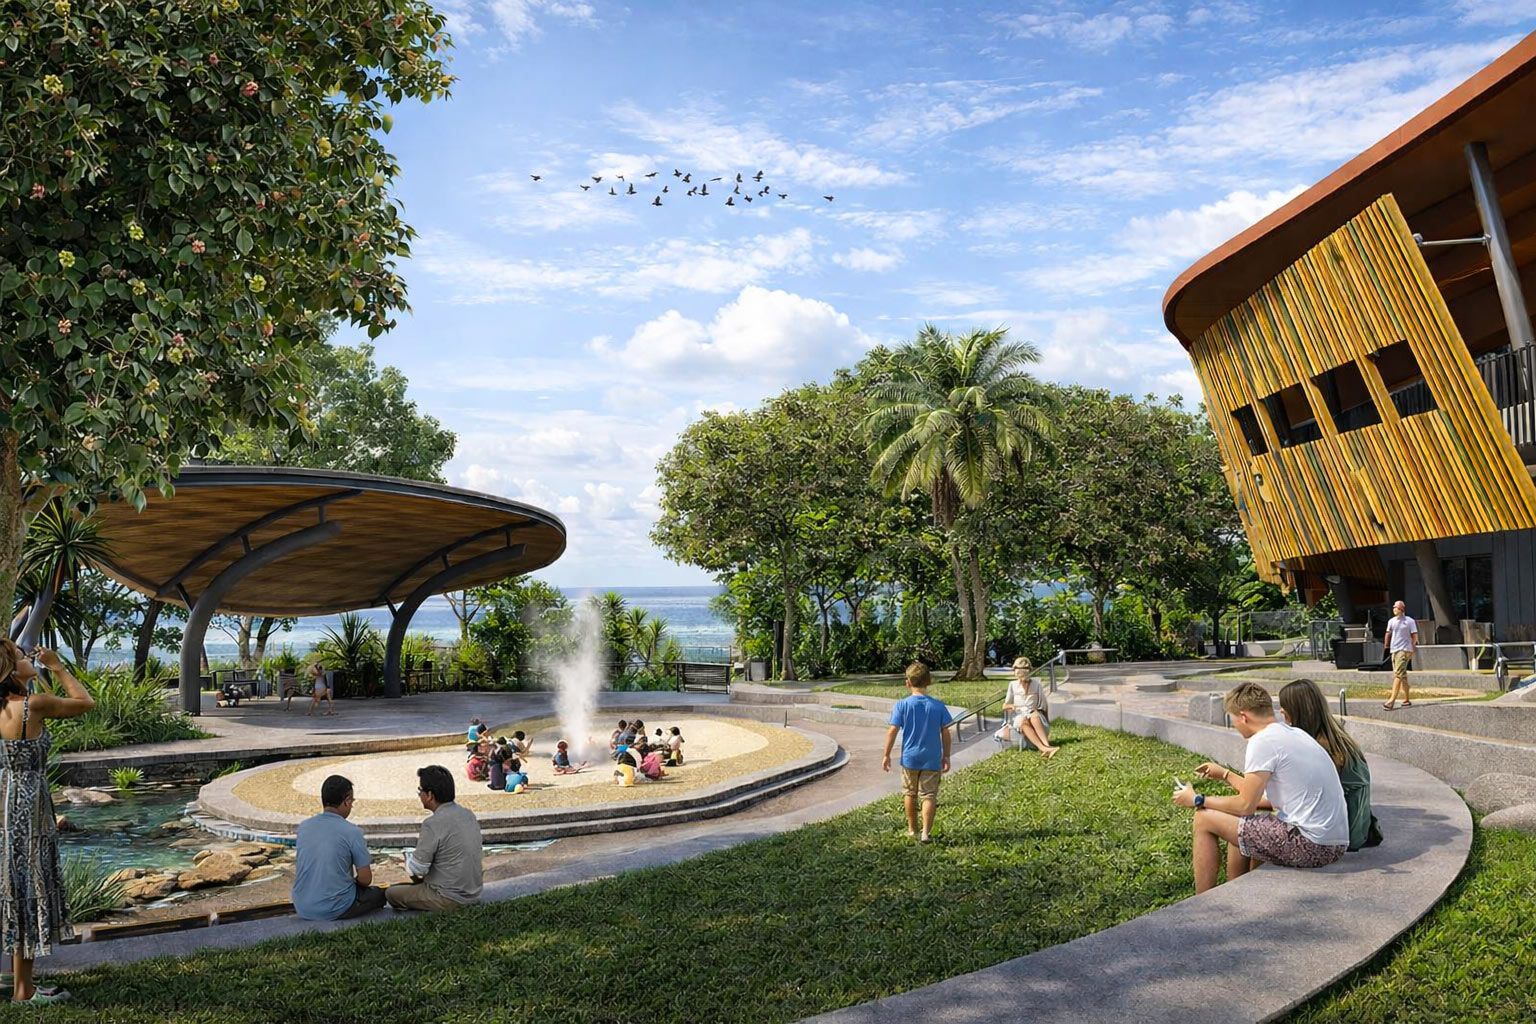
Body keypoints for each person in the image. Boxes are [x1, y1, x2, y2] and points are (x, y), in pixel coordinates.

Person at [1173, 682, 1349, 894]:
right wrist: (1225, 774)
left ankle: (1202, 901)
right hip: (1334, 843)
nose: (1236, 725)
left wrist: (1197, 800)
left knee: (1204, 818)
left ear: (1243, 716)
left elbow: (1245, 805)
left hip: (1311, 846)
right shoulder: (1295, 734)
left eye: (1233, 719)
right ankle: (1236, 891)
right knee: (1241, 824)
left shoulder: (1262, 741)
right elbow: (1261, 801)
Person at [0, 640, 96, 1004]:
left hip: (3, 800)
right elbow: (85, 703)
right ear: (11, 669)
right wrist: (56, 666)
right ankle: (24, 992)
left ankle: (12, 978)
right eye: (24, 657)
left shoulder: (6, 707)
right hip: (29, 804)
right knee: (27, 886)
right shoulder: (33, 705)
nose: (31, 659)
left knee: (10, 883)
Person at [1279, 679, 1377, 851]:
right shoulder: (1335, 736)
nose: (1281, 710)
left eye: (1284, 706)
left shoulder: (1323, 748)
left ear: (1298, 711)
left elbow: (1302, 798)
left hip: (1343, 835)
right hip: (1357, 828)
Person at [386, 765, 483, 912]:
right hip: (474, 892)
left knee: (391, 893)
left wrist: (407, 858)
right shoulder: (467, 814)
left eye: (420, 791)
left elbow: (417, 869)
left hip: (448, 897)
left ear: (430, 795)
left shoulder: (432, 824)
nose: (419, 795)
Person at [291, 775, 385, 921]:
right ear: (347, 801)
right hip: (336, 908)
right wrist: (354, 883)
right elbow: (366, 879)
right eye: (352, 801)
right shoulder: (352, 832)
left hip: (302, 905)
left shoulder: (304, 827)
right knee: (379, 895)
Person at [882, 662, 953, 844]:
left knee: (910, 793)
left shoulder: (902, 705)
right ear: (929, 682)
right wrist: (946, 755)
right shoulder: (938, 706)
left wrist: (886, 754)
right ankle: (926, 834)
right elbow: (946, 732)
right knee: (929, 795)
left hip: (909, 759)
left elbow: (892, 730)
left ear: (907, 683)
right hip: (931, 758)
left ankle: (912, 829)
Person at [997, 656, 1059, 758]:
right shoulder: (1012, 685)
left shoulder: (1036, 684)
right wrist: (1012, 706)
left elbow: (1044, 705)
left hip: (1034, 714)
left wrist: (1046, 720)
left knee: (1033, 716)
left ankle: (1047, 746)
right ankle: (1044, 748)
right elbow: (1005, 705)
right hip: (1019, 715)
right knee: (1023, 721)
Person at [1382, 601, 1418, 710]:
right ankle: (1406, 699)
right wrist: (1386, 646)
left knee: (1398, 674)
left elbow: (1414, 635)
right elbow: (1388, 633)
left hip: (1404, 650)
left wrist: (1411, 648)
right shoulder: (1391, 621)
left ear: (1401, 609)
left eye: (1396, 607)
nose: (1394, 609)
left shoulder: (1409, 621)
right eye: (1393, 607)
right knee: (1402, 676)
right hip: (1394, 650)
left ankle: (1391, 701)